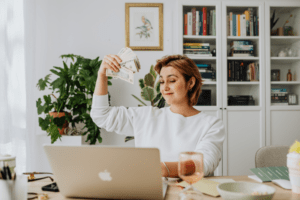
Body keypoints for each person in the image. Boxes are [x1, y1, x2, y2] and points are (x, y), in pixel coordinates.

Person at [91, 54, 225, 178]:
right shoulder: (146, 116)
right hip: (150, 191)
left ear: (190, 83)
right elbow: (101, 115)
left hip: (190, 192)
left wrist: (161, 168)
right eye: (161, 82)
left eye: (172, 80)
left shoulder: (211, 124)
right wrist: (102, 75)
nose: (165, 87)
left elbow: (204, 165)